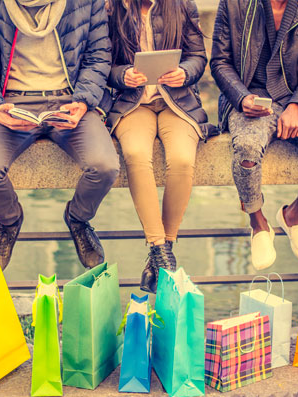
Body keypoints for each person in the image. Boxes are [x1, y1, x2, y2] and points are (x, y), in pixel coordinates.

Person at [0, 0, 119, 270]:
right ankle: (10, 221)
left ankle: (78, 218)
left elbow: (99, 56)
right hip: (10, 102)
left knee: (105, 166)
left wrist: (83, 101)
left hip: (70, 101)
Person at [210, 0, 298, 270]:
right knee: (247, 149)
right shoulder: (233, 3)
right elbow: (219, 62)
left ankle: (293, 216)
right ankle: (258, 222)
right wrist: (241, 98)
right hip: (250, 97)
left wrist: (297, 105)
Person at [105, 0, 216, 292]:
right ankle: (161, 250)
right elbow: (102, 64)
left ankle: (161, 250)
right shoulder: (112, 8)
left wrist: (185, 72)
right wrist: (122, 75)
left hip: (176, 102)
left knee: (181, 158)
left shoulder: (181, 5)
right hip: (133, 103)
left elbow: (198, 57)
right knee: (136, 153)